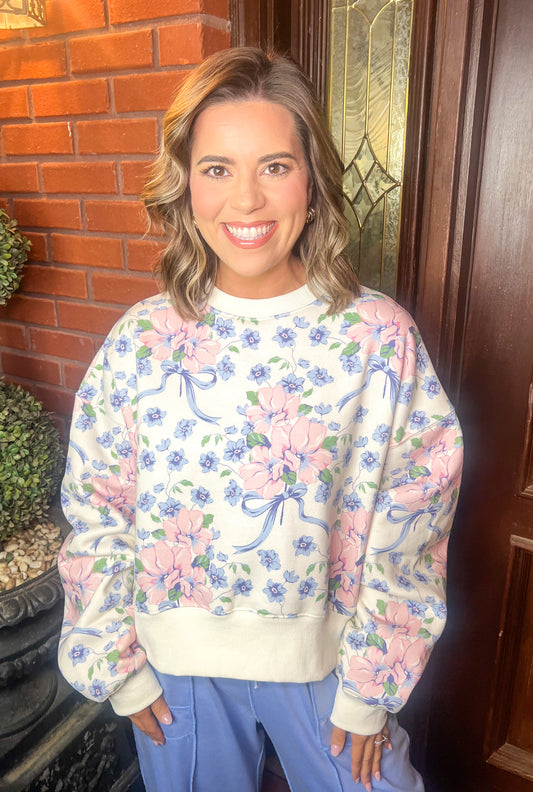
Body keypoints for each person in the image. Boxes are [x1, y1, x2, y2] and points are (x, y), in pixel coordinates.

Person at [57, 47, 463, 792]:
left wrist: (372, 685)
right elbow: (98, 504)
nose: (246, 200)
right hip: (173, 674)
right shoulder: (141, 340)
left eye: (274, 166)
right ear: (184, 185)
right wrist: (118, 666)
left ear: (311, 181)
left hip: (330, 670)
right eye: (217, 168)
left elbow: (415, 512)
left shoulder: (377, 337)